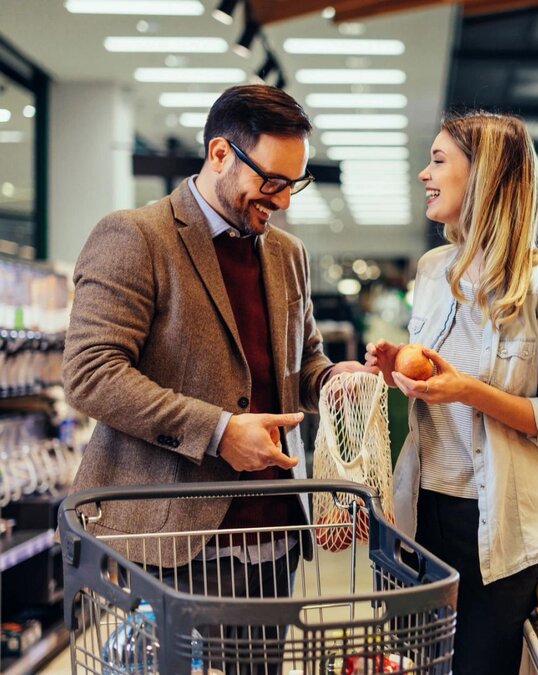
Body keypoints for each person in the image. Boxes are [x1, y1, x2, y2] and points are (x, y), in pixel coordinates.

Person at [63, 84, 370, 671]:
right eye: (272, 181)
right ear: (221, 153)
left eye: (293, 183)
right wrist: (219, 430)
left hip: (273, 536)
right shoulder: (136, 237)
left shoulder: (288, 254)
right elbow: (90, 373)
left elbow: (300, 362)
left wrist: (333, 380)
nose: (281, 200)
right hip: (173, 543)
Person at [365, 111, 538, 674]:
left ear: (484, 175)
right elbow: (433, 384)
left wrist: (468, 390)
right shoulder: (433, 270)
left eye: (439, 161)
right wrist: (396, 370)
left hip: (501, 524)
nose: (424, 173)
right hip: (426, 510)